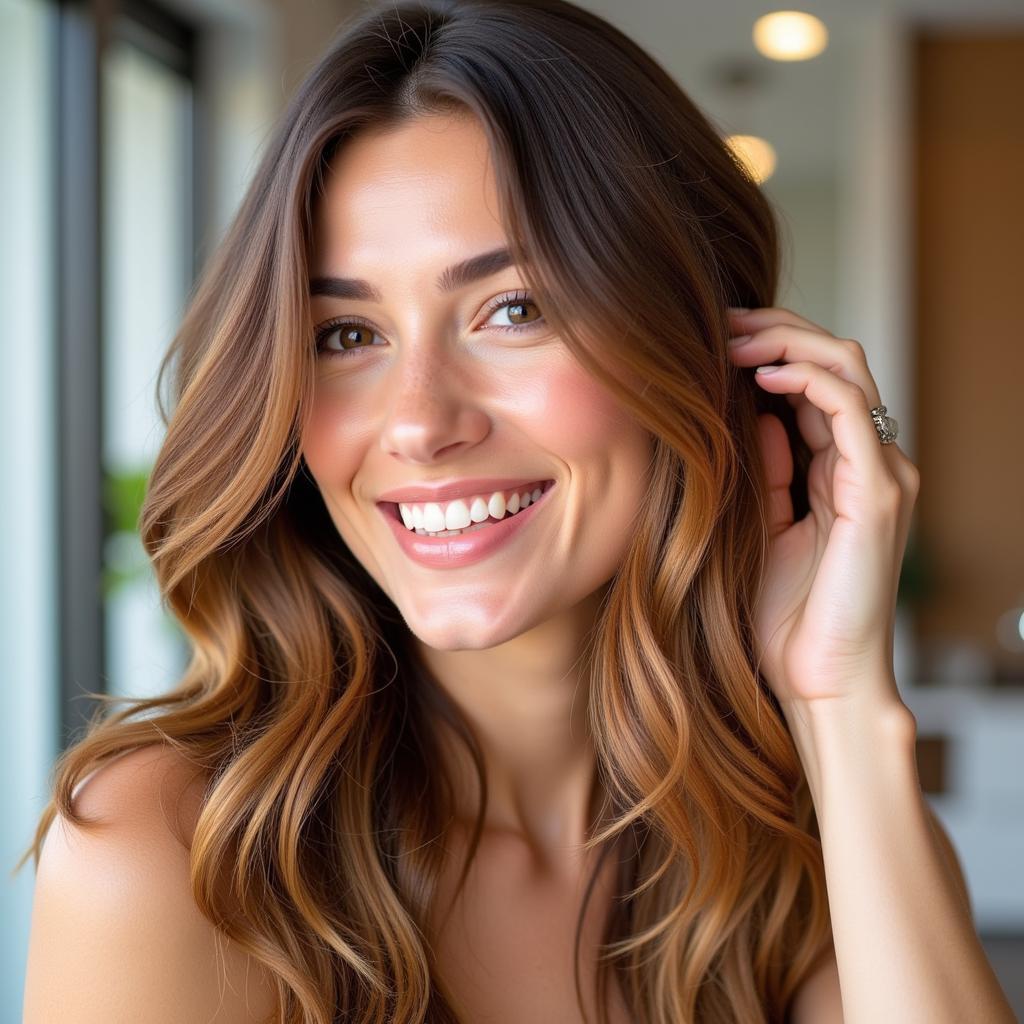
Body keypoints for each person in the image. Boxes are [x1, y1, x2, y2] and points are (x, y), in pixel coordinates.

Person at [18, 0, 1016, 1022]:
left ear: (709, 348)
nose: (418, 423)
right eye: (346, 334)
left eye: (514, 310)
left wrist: (841, 704)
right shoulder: (175, 852)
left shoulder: (808, 823)